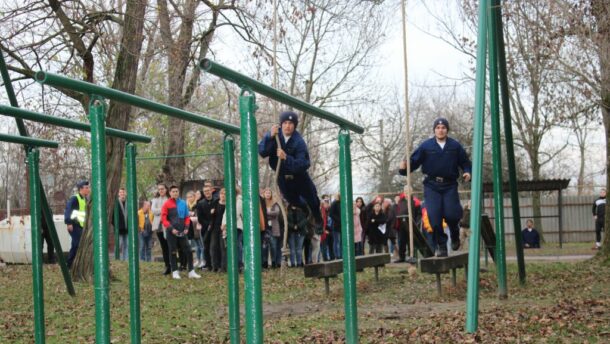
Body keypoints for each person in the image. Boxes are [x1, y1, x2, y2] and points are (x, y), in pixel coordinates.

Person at [399, 117, 471, 257]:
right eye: (438, 128)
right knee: (434, 218)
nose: (440, 130)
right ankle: (442, 245)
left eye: (443, 127)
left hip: (449, 185)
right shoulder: (426, 146)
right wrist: (404, 168)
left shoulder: (455, 146)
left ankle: (455, 235)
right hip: (432, 186)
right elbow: (413, 162)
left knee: (452, 214)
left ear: (447, 130)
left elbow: (465, 162)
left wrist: (468, 171)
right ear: (434, 130)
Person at [258, 111, 323, 227]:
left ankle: (318, 219)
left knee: (313, 199)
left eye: (291, 123)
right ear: (281, 124)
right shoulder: (275, 136)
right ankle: (305, 208)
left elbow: (303, 164)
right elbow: (262, 152)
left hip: (300, 177)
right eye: (285, 123)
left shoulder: (299, 142)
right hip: (282, 177)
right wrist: (269, 136)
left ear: (295, 126)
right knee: (292, 200)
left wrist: (286, 158)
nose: (288, 126)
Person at [161, 185, 200, 279]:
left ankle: (191, 271)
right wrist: (171, 228)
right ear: (170, 193)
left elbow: (187, 217)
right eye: (173, 191)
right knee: (173, 251)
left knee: (189, 250)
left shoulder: (183, 203)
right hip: (171, 232)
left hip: (183, 231)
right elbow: (164, 219)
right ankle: (174, 271)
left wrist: (186, 227)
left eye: (176, 191)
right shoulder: (166, 204)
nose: (175, 193)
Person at [64, 180, 90, 267]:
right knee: (76, 244)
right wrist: (68, 223)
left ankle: (74, 264)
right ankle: (69, 265)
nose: (88, 189)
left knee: (77, 245)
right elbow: (68, 210)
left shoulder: (85, 199)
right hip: (74, 225)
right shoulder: (75, 198)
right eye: (86, 188)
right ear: (80, 189)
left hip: (81, 226)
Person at [394, 191, 422, 263]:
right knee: (401, 241)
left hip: (411, 224)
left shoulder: (415, 202)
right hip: (402, 224)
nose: (407, 193)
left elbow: (419, 214)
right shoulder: (401, 202)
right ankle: (401, 257)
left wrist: (416, 223)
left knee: (411, 241)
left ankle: (411, 256)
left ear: (411, 192)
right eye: (405, 192)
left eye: (408, 192)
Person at [197, 184, 218, 271]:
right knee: (206, 246)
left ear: (211, 191)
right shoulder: (201, 203)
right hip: (205, 228)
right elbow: (200, 217)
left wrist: (212, 224)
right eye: (205, 191)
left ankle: (216, 264)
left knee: (215, 246)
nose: (207, 193)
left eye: (208, 191)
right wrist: (207, 225)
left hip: (215, 226)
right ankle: (208, 264)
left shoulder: (217, 201)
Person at [152, 184, 171, 275]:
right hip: (159, 226)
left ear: (166, 189)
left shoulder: (169, 199)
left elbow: (170, 211)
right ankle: (167, 265)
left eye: (162, 189)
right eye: (159, 189)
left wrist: (160, 210)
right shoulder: (155, 200)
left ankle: (173, 265)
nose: (161, 191)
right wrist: (163, 209)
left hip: (168, 226)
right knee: (164, 247)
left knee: (170, 246)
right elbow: (153, 211)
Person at [262, 188, 283, 268]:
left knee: (273, 245)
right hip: (265, 227)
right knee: (265, 246)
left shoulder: (275, 203)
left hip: (273, 227)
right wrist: (269, 214)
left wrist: (266, 213)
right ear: (264, 194)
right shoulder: (262, 203)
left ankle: (274, 261)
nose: (267, 194)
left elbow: (276, 213)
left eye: (269, 193)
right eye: (266, 193)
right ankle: (265, 262)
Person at [114, 188, 128, 261]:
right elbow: (113, 216)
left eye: (123, 192)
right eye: (121, 192)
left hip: (127, 228)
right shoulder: (116, 203)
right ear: (118, 194)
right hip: (119, 228)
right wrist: (116, 225)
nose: (122, 194)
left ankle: (125, 260)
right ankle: (117, 260)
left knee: (126, 245)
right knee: (118, 245)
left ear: (125, 193)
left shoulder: (128, 203)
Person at [329, 194, 342, 260]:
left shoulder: (342, 203)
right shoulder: (334, 203)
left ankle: (341, 254)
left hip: (342, 225)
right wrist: (338, 219)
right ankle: (337, 255)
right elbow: (331, 214)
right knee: (337, 241)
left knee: (341, 241)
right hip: (336, 225)